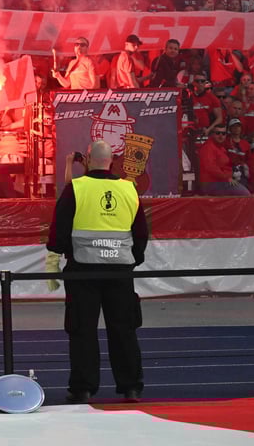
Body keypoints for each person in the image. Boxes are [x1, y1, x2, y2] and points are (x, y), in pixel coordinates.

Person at [46, 140, 147, 404]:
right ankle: (131, 388)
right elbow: (141, 232)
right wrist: (132, 258)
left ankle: (83, 388)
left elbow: (59, 228)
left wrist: (58, 258)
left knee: (82, 331)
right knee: (124, 330)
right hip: (119, 271)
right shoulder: (128, 189)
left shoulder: (76, 188)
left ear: (88, 160)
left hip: (82, 271)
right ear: (112, 161)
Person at [198, 126, 251, 196]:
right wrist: (226, 178)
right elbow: (210, 167)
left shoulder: (221, 147)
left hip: (223, 180)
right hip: (211, 183)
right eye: (218, 133)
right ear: (212, 134)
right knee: (245, 194)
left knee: (245, 185)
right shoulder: (208, 147)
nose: (221, 136)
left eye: (223, 133)